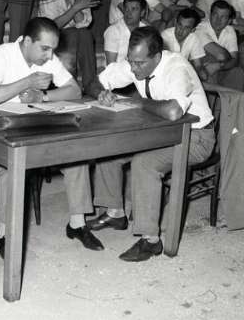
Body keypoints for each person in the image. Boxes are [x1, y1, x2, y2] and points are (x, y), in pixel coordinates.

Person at [88, 26, 214, 262]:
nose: (133, 68)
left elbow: (174, 111)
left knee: (145, 163)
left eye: (139, 63)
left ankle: (151, 241)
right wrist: (100, 93)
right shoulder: (137, 61)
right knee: (109, 148)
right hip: (160, 132)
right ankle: (115, 212)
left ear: (157, 57)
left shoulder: (176, 68)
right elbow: (94, 82)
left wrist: (138, 102)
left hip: (195, 137)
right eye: (130, 61)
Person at [0, 17, 102, 257]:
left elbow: (75, 90)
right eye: (45, 48)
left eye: (52, 49)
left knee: (76, 154)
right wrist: (27, 82)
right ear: (27, 41)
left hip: (37, 121)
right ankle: (5, 231)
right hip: (5, 125)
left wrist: (43, 97)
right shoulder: (1, 54)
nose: (49, 55)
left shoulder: (48, 57)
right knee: (9, 167)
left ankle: (77, 224)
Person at [37, 0, 101, 92]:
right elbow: (51, 27)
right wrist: (76, 8)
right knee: (72, 33)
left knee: (85, 34)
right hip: (49, 38)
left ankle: (90, 84)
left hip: (73, 38)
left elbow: (83, 24)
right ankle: (69, 85)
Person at [195, 0, 243, 88]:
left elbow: (235, 60)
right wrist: (227, 60)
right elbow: (221, 55)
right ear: (210, 15)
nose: (218, 20)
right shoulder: (200, 28)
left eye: (223, 17)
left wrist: (219, 66)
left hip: (218, 68)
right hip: (201, 67)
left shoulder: (230, 30)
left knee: (238, 72)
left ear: (229, 21)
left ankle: (233, 96)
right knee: (211, 59)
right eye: (215, 15)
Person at [161, 8, 206, 80]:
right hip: (166, 74)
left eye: (186, 28)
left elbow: (198, 65)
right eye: (180, 25)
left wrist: (201, 73)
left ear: (192, 30)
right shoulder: (165, 36)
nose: (181, 30)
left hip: (183, 74)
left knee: (204, 76)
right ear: (175, 22)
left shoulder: (193, 38)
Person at [104, 0, 147, 64]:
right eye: (126, 9)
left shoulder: (146, 30)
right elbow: (111, 66)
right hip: (119, 70)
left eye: (133, 9)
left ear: (142, 13)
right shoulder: (113, 31)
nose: (128, 13)